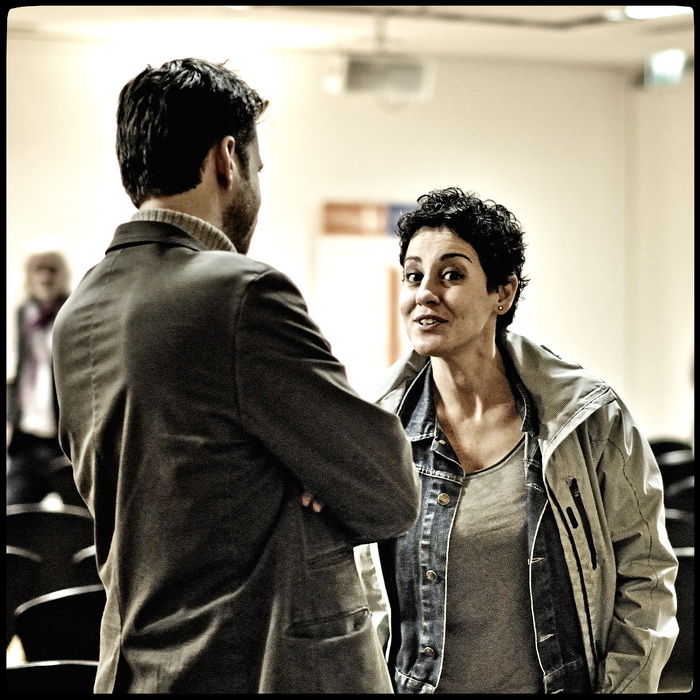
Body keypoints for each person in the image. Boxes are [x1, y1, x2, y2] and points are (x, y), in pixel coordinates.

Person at [51, 57, 418, 694]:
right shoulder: (240, 294)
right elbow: (387, 489)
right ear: (227, 158)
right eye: (258, 168)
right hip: (258, 667)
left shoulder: (77, 313)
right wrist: (309, 469)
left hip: (141, 670)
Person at [363, 187, 678, 693]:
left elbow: (647, 576)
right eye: (414, 275)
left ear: (503, 294)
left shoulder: (588, 420)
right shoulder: (373, 431)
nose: (425, 293)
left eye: (452, 275)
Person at [7, 237, 71, 505]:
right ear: (29, 274)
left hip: (63, 442)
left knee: (78, 517)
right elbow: (23, 369)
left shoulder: (72, 310)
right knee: (14, 513)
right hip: (27, 440)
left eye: (52, 269)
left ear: (62, 274)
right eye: (39, 269)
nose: (45, 276)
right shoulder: (24, 312)